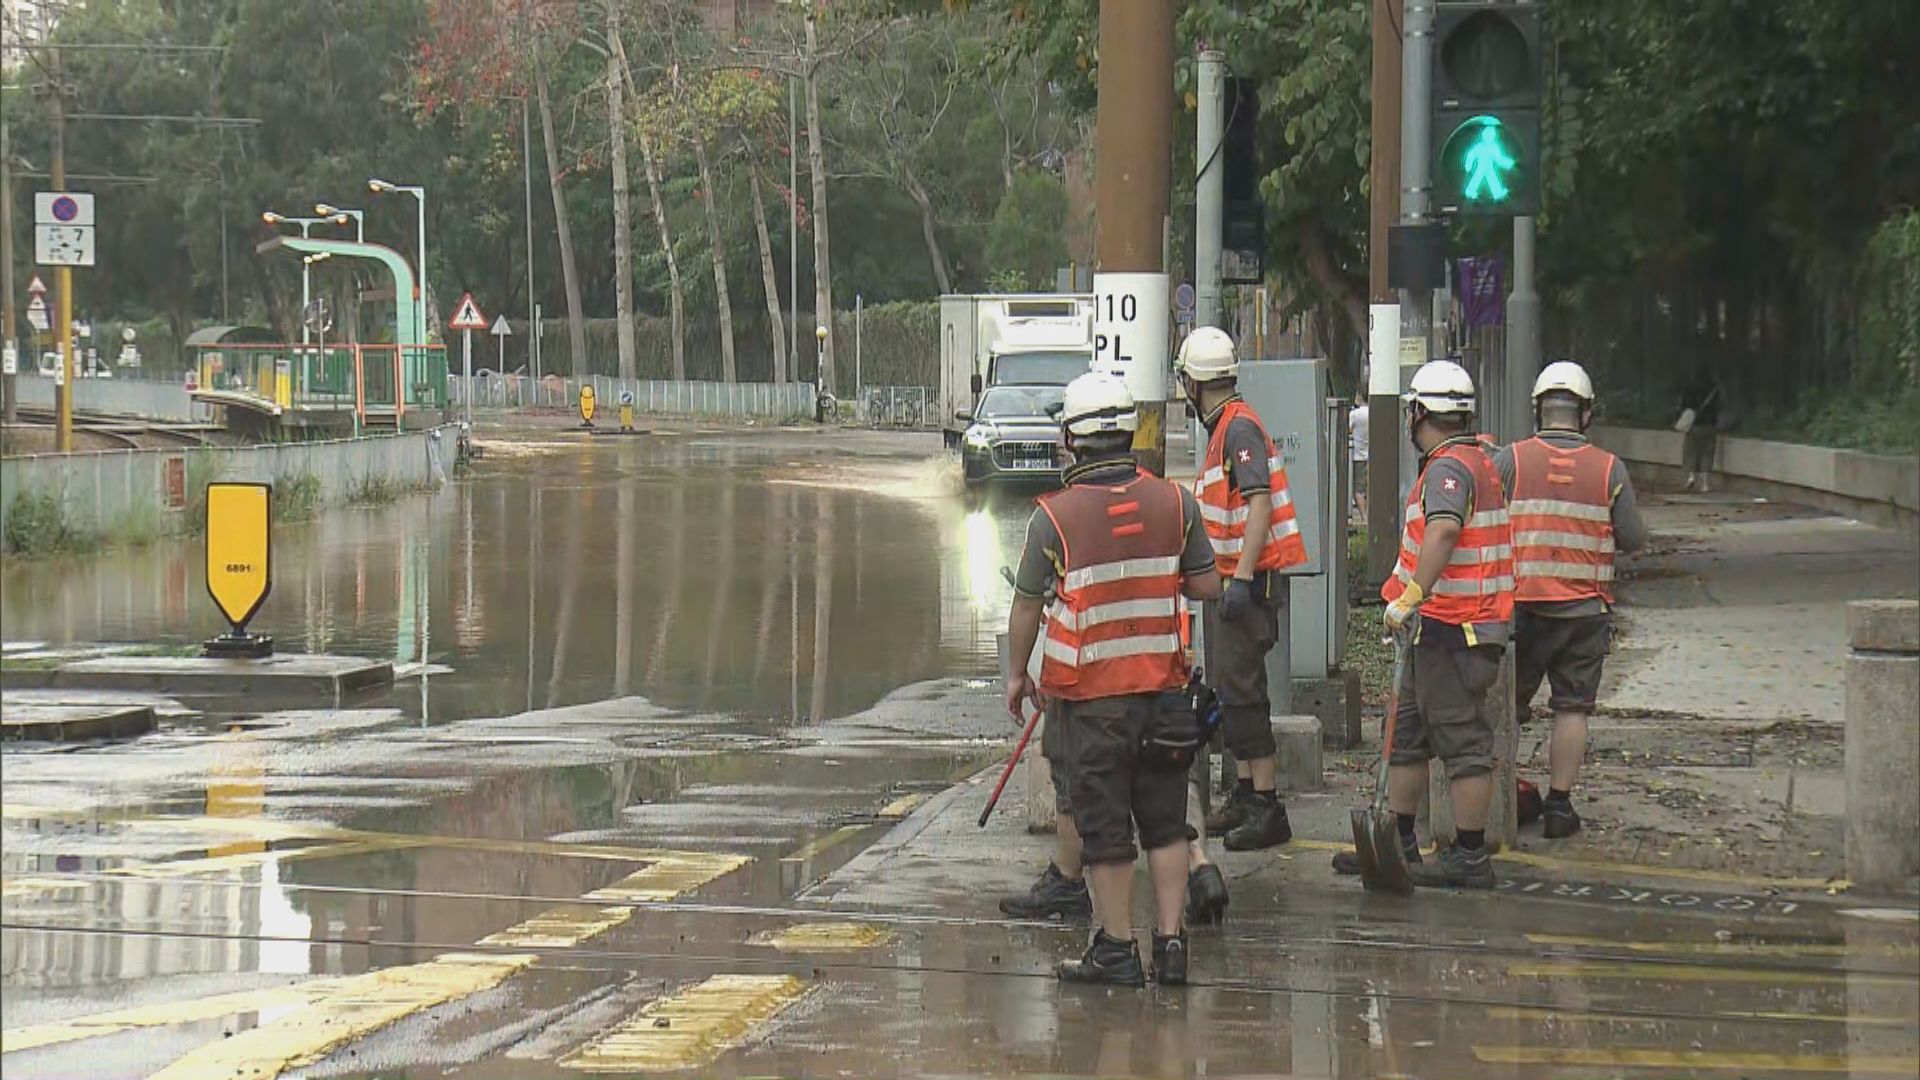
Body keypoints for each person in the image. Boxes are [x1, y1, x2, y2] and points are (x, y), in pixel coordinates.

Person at [1005, 371, 1224, 986]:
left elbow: (1026, 606)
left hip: (1093, 704)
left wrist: (1016, 676)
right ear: (1129, 434)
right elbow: (1205, 584)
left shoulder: (1053, 518)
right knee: (1163, 821)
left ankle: (1116, 949)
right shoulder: (1176, 502)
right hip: (1166, 695)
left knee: (1105, 831)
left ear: (1071, 442)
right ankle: (1172, 946)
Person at [1371, 359, 1514, 888]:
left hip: (1458, 630)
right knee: (1406, 734)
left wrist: (1411, 595)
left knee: (1460, 741)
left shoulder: (1450, 469)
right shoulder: (1475, 460)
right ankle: (1399, 843)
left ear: (1418, 413)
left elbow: (1444, 532)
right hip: (1435, 630)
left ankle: (1470, 855)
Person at [1496, 361, 1648, 839]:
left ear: (1538, 410)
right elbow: (1633, 538)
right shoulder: (1609, 469)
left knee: (1505, 705)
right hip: (1584, 611)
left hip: (1519, 609)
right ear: (1586, 415)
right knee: (1572, 708)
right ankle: (1559, 806)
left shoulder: (1510, 461)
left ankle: (1497, 799)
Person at [1176, 327, 1310, 851]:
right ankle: (1251, 795)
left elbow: (1259, 503)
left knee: (1245, 695)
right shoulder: (1226, 428)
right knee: (1234, 693)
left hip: (1243, 587)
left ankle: (1268, 803)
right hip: (1231, 584)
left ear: (1194, 382)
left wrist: (1244, 578)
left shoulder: (1237, 430)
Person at [1677, 369, 1722, 492]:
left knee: (1690, 452)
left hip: (1694, 426)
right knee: (1707, 453)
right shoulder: (1713, 390)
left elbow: (1683, 406)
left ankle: (1691, 477)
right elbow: (1718, 407)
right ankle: (1705, 483)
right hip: (1709, 426)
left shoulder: (1690, 388)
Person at [1349, 396, 1370, 522]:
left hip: (1358, 456)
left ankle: (1364, 518)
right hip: (1371, 455)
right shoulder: (1374, 412)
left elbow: (1348, 429)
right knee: (1369, 487)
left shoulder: (1355, 414)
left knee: (1359, 489)